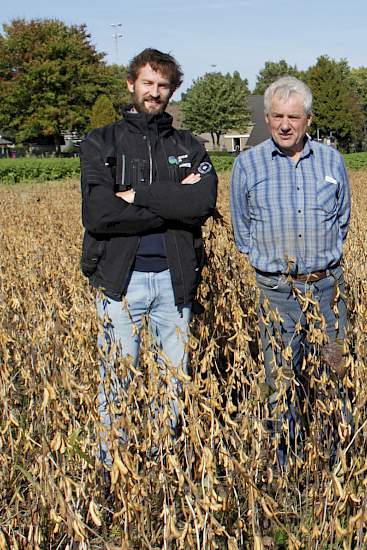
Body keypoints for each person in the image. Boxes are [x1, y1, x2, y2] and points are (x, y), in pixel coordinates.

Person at [79, 48, 218, 466]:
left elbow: (201, 205)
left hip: (175, 282)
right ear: (131, 84)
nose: (154, 92)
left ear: (172, 90)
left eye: (163, 85)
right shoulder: (100, 142)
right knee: (116, 382)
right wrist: (173, 199)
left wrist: (137, 195)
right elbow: (100, 215)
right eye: (148, 83)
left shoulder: (188, 144)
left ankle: (163, 466)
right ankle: (112, 468)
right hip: (120, 282)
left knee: (172, 385)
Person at [229, 76, 352, 464]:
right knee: (280, 375)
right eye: (277, 116)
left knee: (334, 367)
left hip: (327, 290)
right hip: (275, 293)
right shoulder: (247, 164)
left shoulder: (332, 161)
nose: (285, 124)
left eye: (293, 117)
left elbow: (342, 218)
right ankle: (287, 462)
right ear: (267, 119)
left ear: (308, 120)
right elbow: (242, 228)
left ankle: (338, 457)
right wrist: (271, 268)